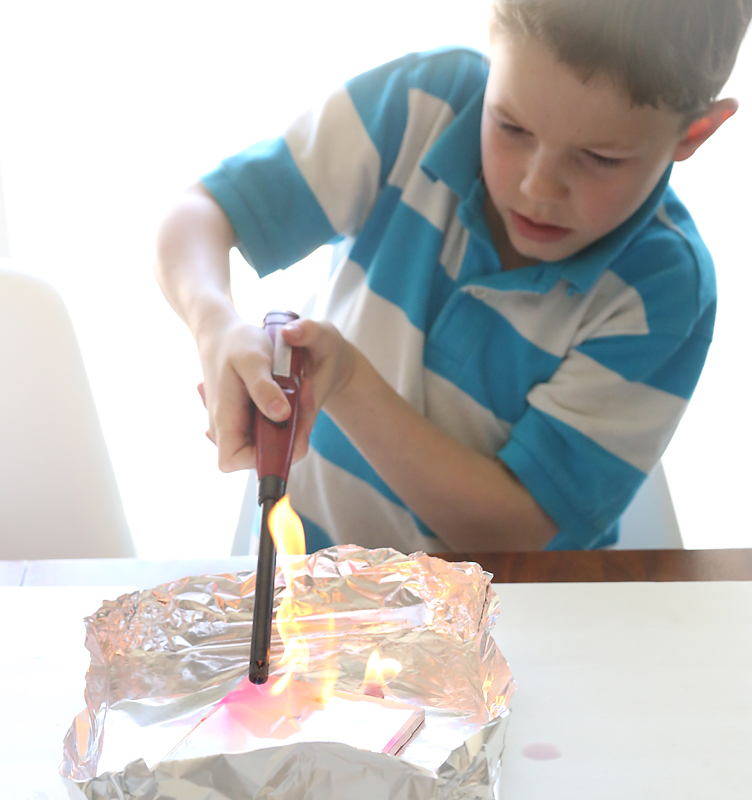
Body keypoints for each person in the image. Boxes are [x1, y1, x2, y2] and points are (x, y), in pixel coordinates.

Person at [155, 0, 752, 554]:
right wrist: (213, 322)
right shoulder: (422, 105)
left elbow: (516, 529)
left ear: (693, 134)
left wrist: (348, 380)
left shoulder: (663, 290)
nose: (537, 188)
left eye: (600, 158)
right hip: (310, 585)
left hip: (500, 633)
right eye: (512, 127)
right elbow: (198, 214)